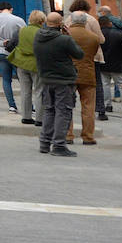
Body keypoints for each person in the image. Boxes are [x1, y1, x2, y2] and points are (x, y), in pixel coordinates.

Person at [34, 11, 83, 156]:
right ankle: (59, 145)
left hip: (46, 78)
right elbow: (79, 54)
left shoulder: (38, 37)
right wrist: (69, 36)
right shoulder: (64, 40)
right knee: (63, 111)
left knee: (49, 110)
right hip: (63, 80)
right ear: (61, 23)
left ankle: (44, 142)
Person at [64, 11, 101, 146]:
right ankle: (88, 136)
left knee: (67, 105)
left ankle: (68, 135)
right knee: (88, 107)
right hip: (88, 73)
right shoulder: (93, 37)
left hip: (68, 74)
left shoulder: (65, 36)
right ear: (85, 22)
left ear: (72, 21)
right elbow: (93, 53)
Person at [0, 0, 26, 113]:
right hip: (16, 53)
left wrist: (2, 43)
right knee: (23, 80)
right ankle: (29, 107)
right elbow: (25, 34)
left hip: (1, 52)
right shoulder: (18, 20)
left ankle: (12, 106)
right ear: (11, 9)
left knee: (6, 80)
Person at [8, 10, 45, 125]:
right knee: (39, 91)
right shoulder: (42, 32)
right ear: (42, 21)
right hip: (36, 65)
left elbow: (11, 45)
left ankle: (26, 116)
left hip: (21, 64)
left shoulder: (21, 30)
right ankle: (39, 119)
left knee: (25, 91)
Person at [98, 15, 122, 111]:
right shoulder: (119, 34)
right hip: (117, 64)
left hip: (102, 64)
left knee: (105, 85)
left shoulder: (97, 35)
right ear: (110, 23)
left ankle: (107, 105)